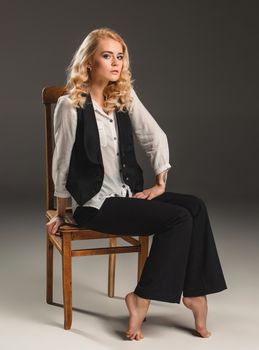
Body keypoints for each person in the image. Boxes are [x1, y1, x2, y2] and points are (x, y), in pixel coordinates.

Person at [46, 27, 227, 341]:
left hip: (127, 196)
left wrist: (160, 182)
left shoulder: (122, 98)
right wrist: (59, 213)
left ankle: (195, 291)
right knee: (178, 219)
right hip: (96, 206)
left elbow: (155, 135)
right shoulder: (69, 105)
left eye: (119, 56)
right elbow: (60, 162)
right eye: (107, 56)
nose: (116, 63)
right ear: (89, 61)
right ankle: (141, 298)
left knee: (195, 206)